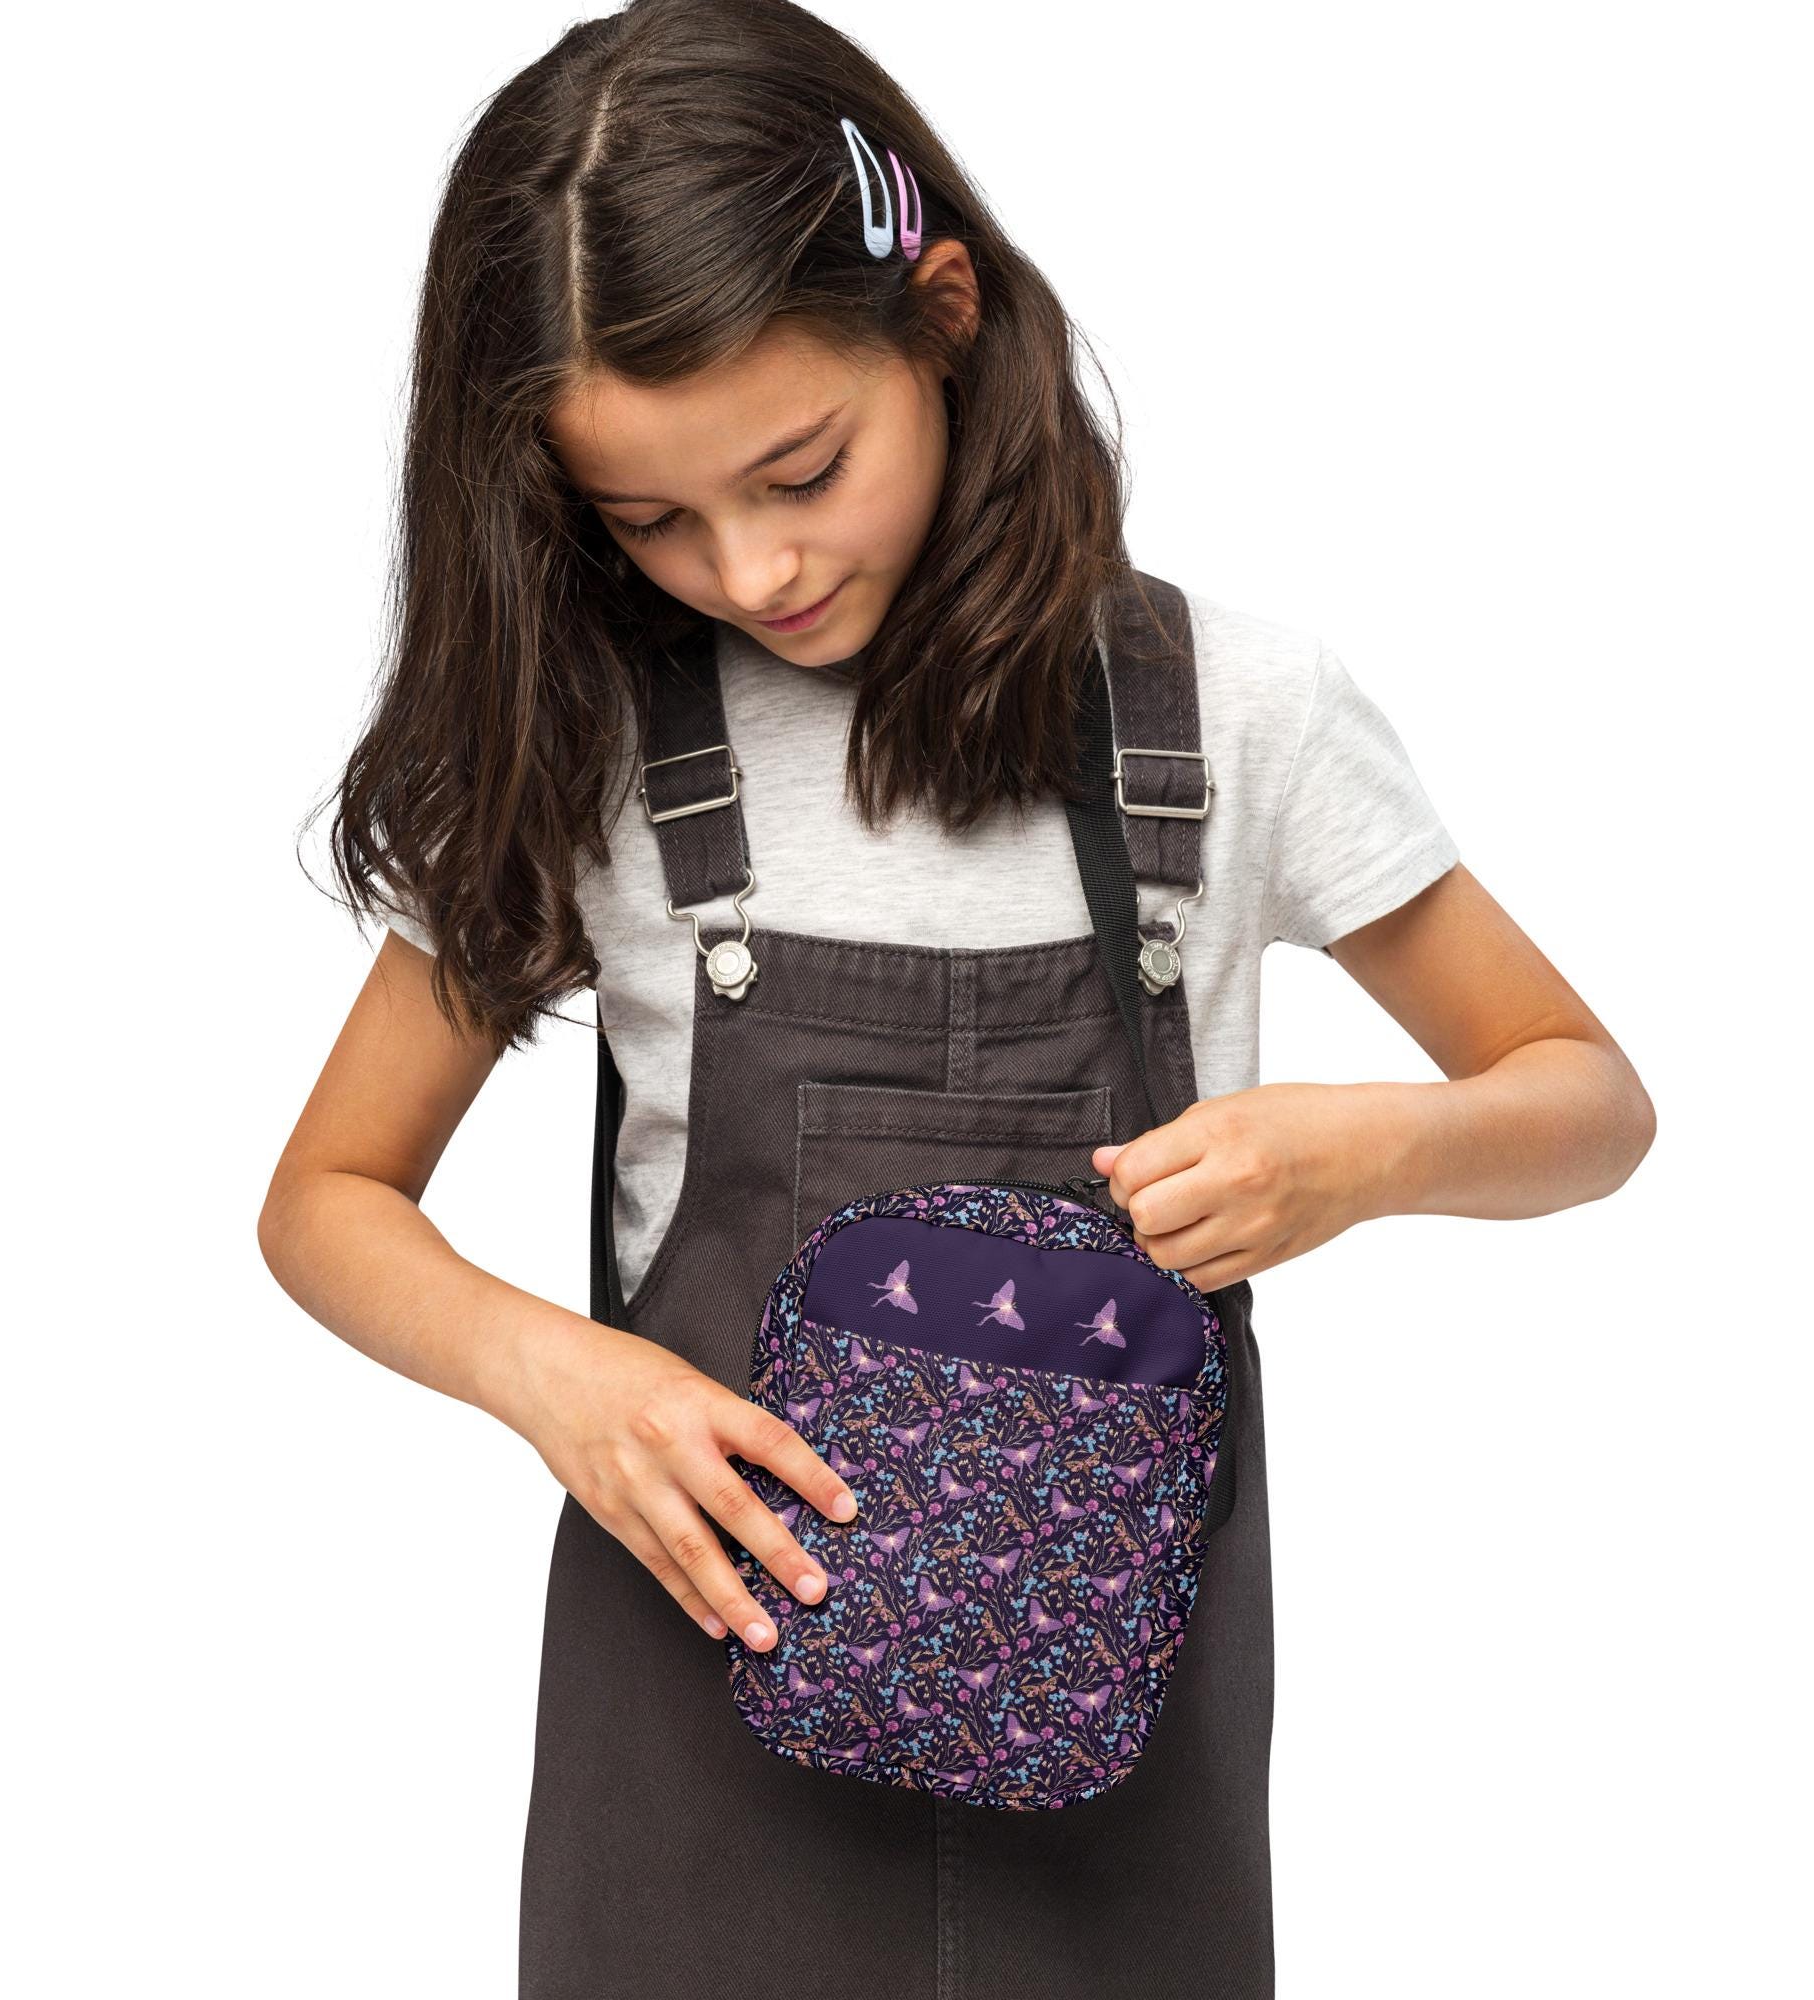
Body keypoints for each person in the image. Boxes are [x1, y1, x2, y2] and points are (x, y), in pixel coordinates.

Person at [257, 3, 1656, 1993]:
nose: (750, 568)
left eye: (800, 470)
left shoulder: (1233, 713)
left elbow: (1585, 1098)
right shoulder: (593, 743)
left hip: (1121, 1779)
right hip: (695, 1755)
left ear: (940, 314)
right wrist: (555, 1375)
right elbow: (326, 1197)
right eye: (651, 522)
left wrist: (1365, 1154)